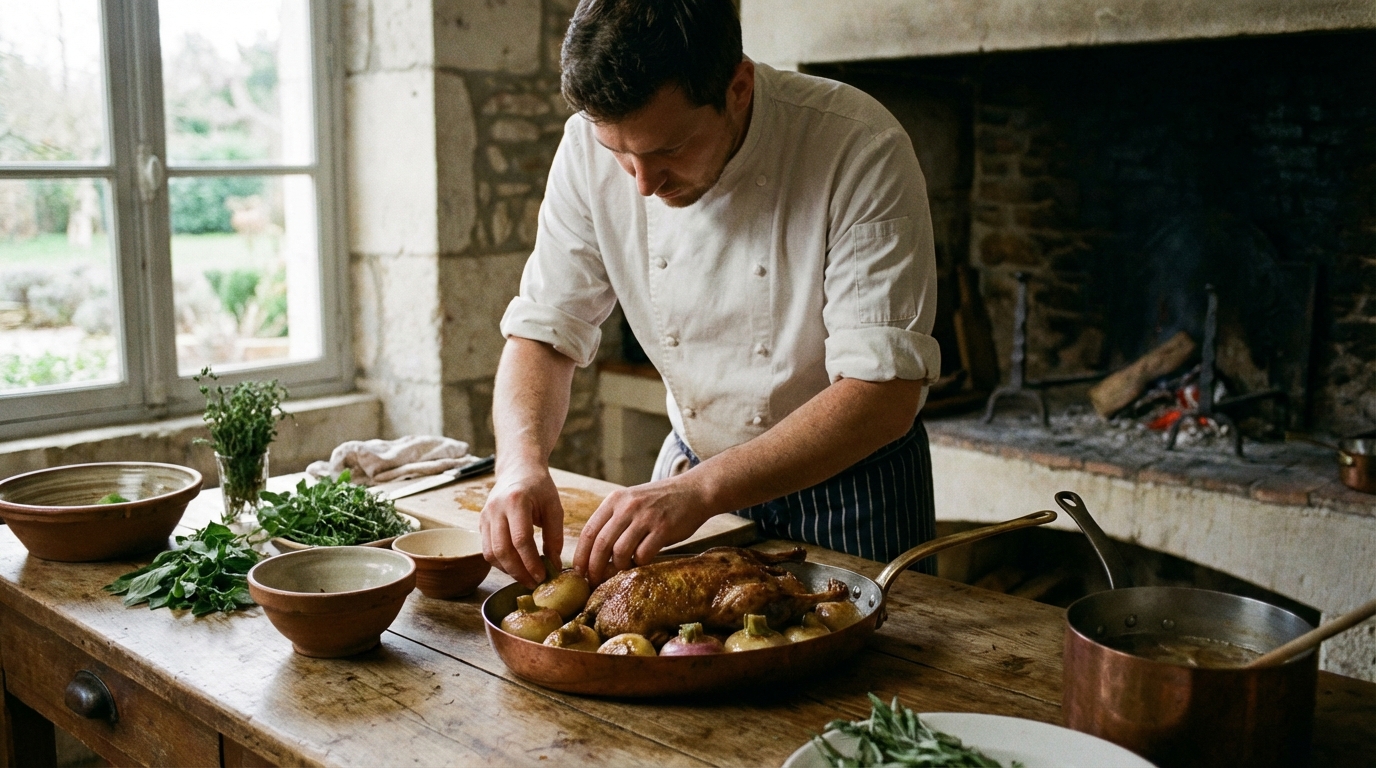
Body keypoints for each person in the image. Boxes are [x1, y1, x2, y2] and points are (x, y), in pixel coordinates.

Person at [480, 0, 941, 588]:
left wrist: (697, 490)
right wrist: (518, 466)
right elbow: (544, 333)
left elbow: (885, 394)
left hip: (852, 490)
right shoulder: (583, 149)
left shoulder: (859, 146)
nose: (643, 183)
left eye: (669, 150)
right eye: (620, 154)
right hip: (694, 488)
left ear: (739, 87)